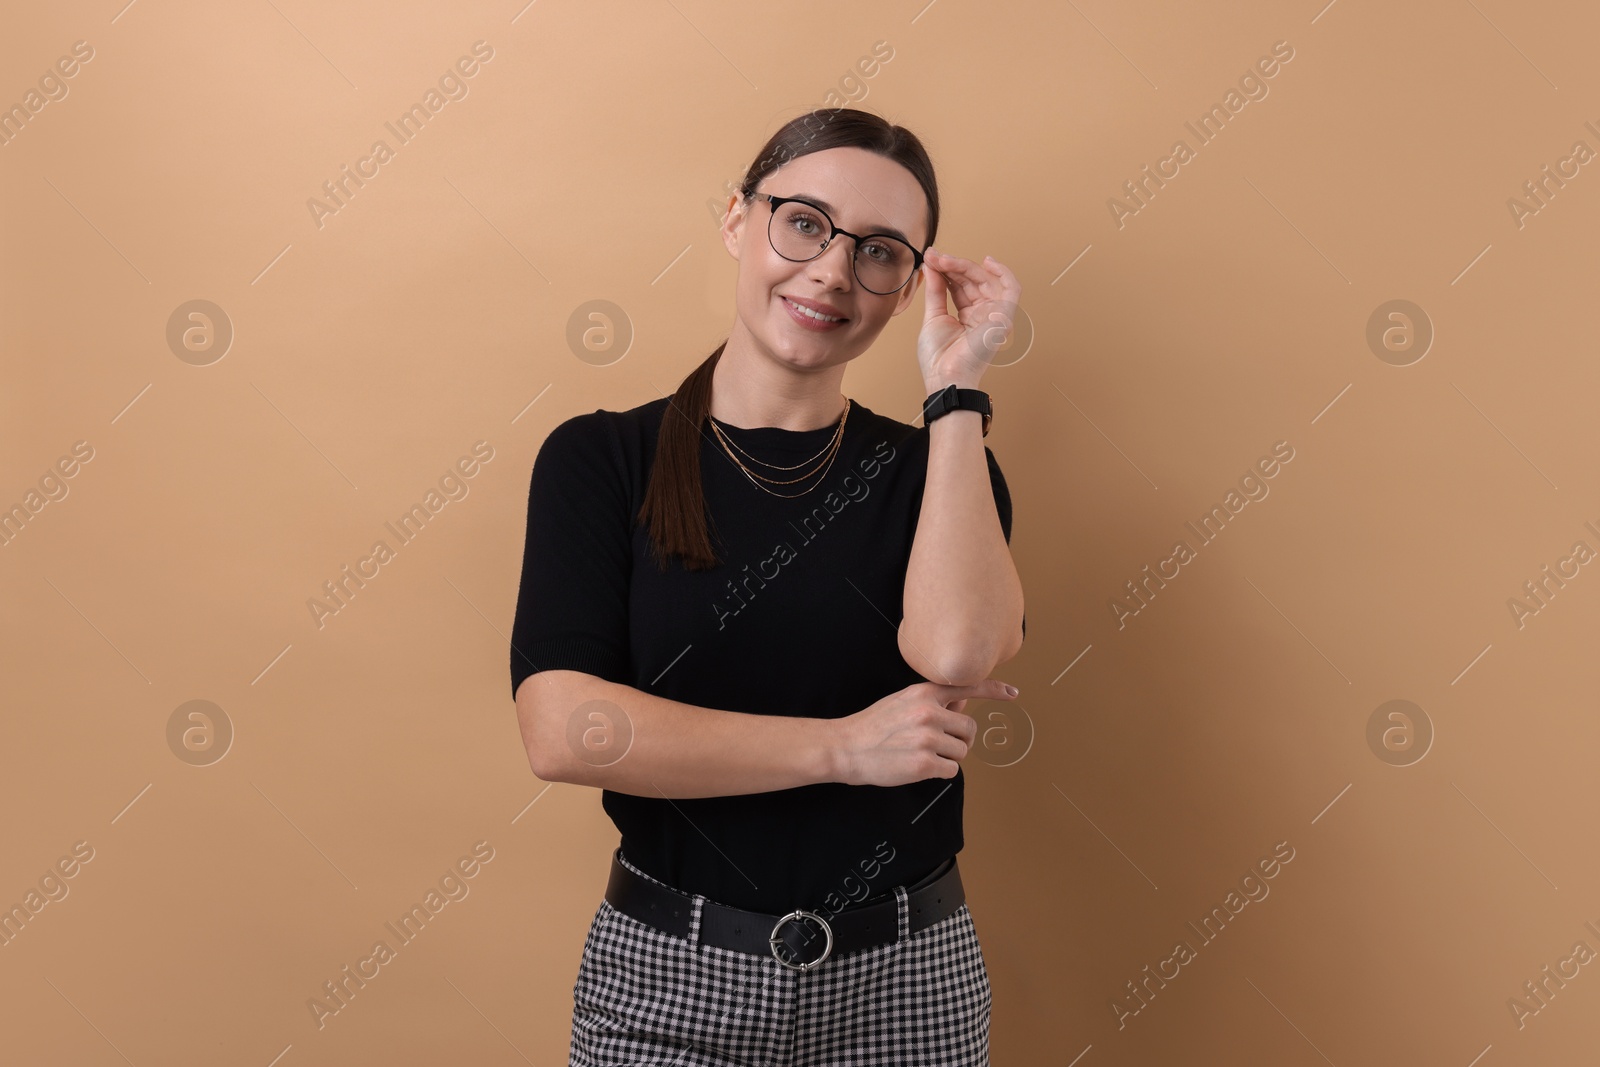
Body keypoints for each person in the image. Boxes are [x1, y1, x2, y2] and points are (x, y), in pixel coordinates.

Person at [510, 106, 1026, 1066]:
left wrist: (956, 393)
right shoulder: (602, 459)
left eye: (879, 251)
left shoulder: (944, 473)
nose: (833, 269)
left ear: (911, 285)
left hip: (906, 985)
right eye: (804, 222)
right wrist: (845, 749)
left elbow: (954, 651)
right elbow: (563, 728)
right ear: (739, 221)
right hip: (669, 978)